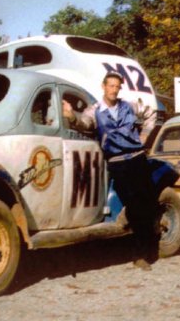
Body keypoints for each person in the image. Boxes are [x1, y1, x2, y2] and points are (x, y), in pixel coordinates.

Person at [62, 71, 159, 271]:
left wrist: (145, 136)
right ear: (103, 86)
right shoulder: (94, 111)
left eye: (117, 86)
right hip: (117, 163)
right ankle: (140, 254)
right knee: (133, 206)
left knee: (147, 203)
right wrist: (71, 116)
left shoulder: (129, 106)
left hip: (137, 159)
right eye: (110, 86)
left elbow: (151, 113)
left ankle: (150, 248)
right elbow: (83, 124)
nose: (114, 90)